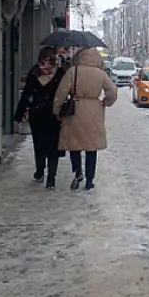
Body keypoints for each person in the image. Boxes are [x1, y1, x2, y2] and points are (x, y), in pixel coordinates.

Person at [54, 47, 118, 190]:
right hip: (94, 110)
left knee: (74, 144)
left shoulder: (73, 71)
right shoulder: (100, 73)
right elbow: (112, 90)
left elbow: (62, 91)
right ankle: (90, 180)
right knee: (91, 146)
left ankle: (78, 172)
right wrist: (105, 102)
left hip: (75, 110)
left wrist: (57, 109)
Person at [14, 47, 66, 190]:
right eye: (44, 61)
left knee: (44, 145)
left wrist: (18, 115)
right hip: (49, 115)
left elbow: (26, 95)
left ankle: (44, 174)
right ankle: (46, 175)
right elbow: (26, 95)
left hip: (43, 115)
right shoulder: (60, 74)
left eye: (47, 61)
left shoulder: (36, 72)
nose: (45, 65)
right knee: (47, 146)